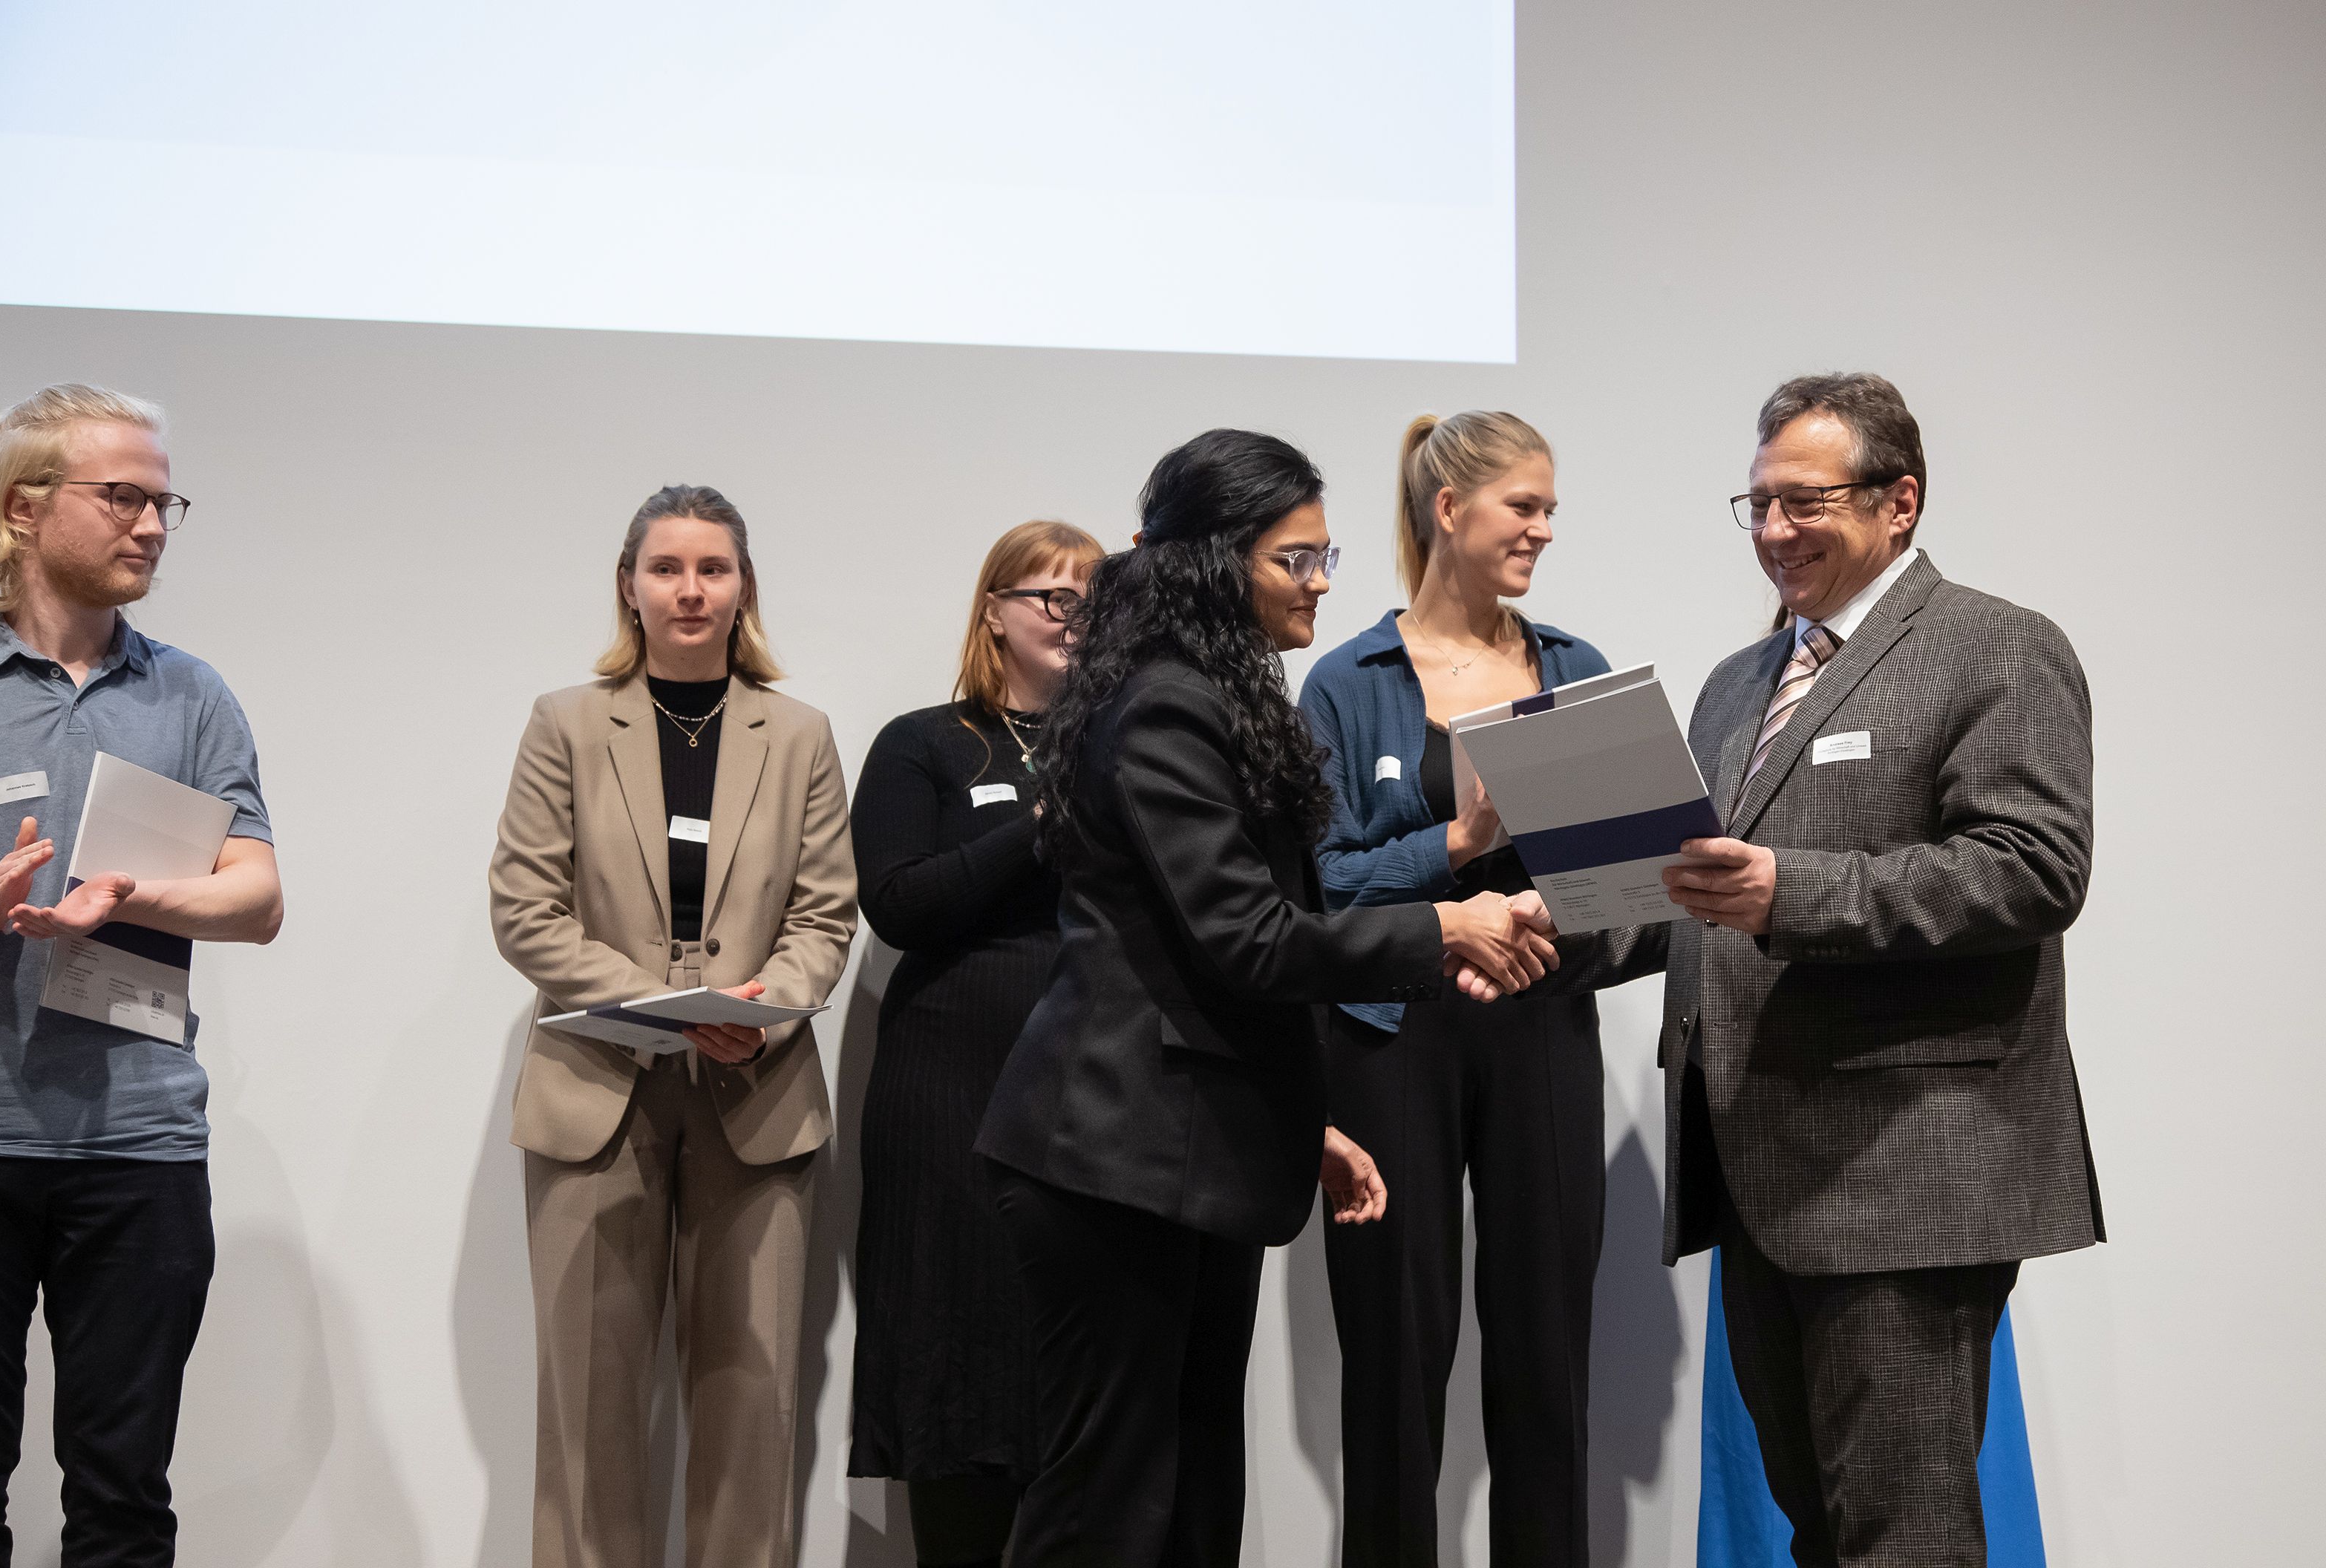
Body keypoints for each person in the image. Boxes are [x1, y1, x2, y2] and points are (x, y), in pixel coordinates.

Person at [973, 429, 1561, 1568]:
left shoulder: (1210, 693)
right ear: (1214, 561)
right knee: (1106, 1511)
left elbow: (1208, 957)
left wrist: (1302, 1125)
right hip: (1110, 1160)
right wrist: (1445, 925)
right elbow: (1244, 938)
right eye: (1295, 559)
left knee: (1192, 1506)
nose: (1321, 582)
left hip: (1178, 1149)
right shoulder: (1166, 706)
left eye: (1324, 556)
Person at [1546, 373, 2102, 1567]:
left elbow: (2031, 868)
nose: (1774, 529)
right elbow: (1685, 898)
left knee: (1901, 1534)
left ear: (1900, 502)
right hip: (1759, 1171)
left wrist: (1789, 892)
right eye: (1756, 504)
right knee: (1817, 1531)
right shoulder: (1737, 683)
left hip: (1905, 1172)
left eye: (1806, 501)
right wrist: (1544, 927)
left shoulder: (1997, 646)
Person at [488, 484, 858, 1568]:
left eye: (712, 569)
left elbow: (826, 914)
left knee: (754, 1415)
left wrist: (762, 1013)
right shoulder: (565, 722)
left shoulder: (799, 734)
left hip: (759, 1092)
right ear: (630, 586)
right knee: (588, 1414)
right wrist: (659, 1010)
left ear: (744, 588)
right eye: (666, 568)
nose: (690, 590)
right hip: (595, 1094)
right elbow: (524, 909)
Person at [0, 385, 284, 1567]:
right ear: (24, 507)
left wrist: (129, 896)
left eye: (164, 503)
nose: (152, 524)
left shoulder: (189, 694)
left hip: (138, 1148)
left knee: (122, 1503)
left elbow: (256, 897)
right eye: (123, 497)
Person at [1298, 411, 1610, 1567]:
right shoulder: (1346, 683)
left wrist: (1538, 924)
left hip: (1542, 1028)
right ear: (1448, 509)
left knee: (1546, 1362)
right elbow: (1318, 889)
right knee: (1393, 1361)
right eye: (1524, 506)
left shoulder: (1574, 672)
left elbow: (1634, 886)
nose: (1543, 529)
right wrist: (1459, 847)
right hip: (1389, 1037)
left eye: (1549, 510)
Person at [847, 519, 1106, 1568]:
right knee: (955, 1345)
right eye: (1052, 597)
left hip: (1093, 1083)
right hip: (949, 1080)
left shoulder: (1128, 749)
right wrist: (1040, 828)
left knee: (1076, 1362)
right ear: (994, 612)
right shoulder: (926, 743)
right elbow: (900, 903)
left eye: (1093, 601)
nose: (1074, 619)